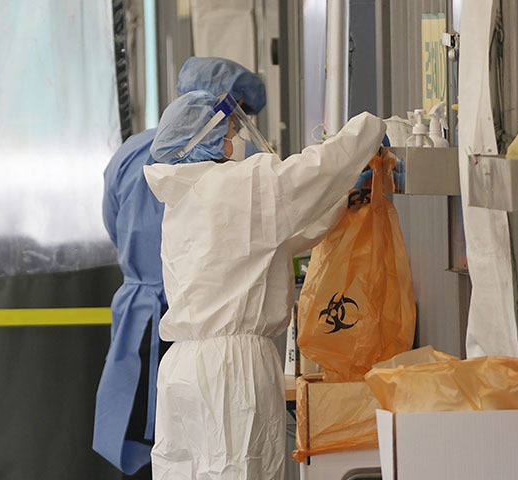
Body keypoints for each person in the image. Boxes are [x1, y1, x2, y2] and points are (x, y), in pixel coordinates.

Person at [143, 90, 386, 479]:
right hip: (229, 371)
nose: (236, 139)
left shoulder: (188, 196)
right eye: (230, 131)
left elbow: (282, 237)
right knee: (240, 469)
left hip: (184, 370)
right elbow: (313, 172)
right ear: (203, 140)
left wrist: (342, 199)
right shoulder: (232, 185)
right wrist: (370, 129)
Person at [93, 57, 267, 479]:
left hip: (139, 315)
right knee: (191, 448)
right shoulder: (221, 166)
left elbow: (114, 226)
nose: (236, 133)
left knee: (149, 443)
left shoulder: (130, 151)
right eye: (235, 117)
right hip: (194, 322)